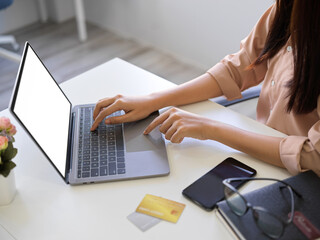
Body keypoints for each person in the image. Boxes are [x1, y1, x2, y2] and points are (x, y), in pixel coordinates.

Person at [91, 0, 320, 177]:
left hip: (304, 179)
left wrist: (211, 129)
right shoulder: (286, 10)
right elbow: (237, 69)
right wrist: (153, 100)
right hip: (261, 154)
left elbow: (313, 156)